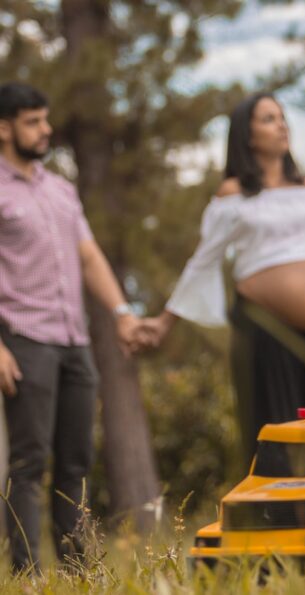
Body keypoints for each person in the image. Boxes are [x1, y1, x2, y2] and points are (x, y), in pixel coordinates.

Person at [140, 93, 305, 466]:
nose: (281, 125)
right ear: (247, 136)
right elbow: (203, 260)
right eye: (268, 119)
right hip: (267, 325)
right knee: (278, 428)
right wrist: (165, 323)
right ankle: (280, 519)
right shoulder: (234, 194)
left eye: (282, 117)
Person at [0, 82, 141, 572]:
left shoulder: (60, 190)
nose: (46, 129)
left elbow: (88, 254)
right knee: (29, 463)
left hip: (75, 342)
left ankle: (77, 572)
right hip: (25, 339)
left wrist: (122, 313)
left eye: (45, 119)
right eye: (33, 121)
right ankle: (27, 574)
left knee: (76, 462)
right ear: (4, 128)